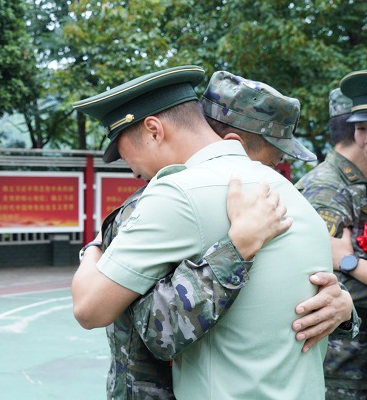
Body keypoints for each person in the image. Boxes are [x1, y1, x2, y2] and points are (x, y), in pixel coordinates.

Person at [71, 65, 332, 399]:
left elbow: (89, 309)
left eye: (122, 150)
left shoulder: (177, 193)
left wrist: (96, 246)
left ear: (154, 131)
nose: (131, 168)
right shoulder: (292, 193)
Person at [296, 74, 367, 399]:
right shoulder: (327, 188)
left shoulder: (354, 184)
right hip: (343, 367)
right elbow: (322, 281)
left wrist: (351, 261)